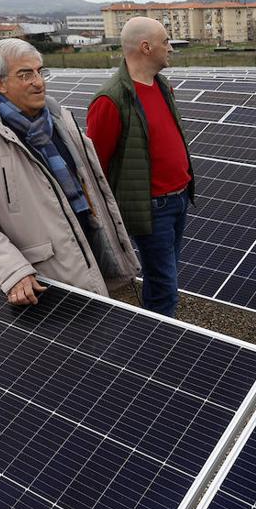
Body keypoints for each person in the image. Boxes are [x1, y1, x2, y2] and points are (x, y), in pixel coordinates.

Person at [0, 38, 141, 305]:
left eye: (40, 71)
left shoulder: (61, 120)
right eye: (25, 74)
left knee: (103, 331)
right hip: (45, 272)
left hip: (90, 242)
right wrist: (12, 271)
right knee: (66, 340)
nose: (38, 82)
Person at [87, 17, 194, 318]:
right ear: (146, 47)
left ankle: (156, 329)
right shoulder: (111, 99)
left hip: (179, 198)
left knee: (167, 274)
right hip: (151, 208)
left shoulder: (161, 86)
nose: (170, 48)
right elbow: (96, 166)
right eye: (165, 42)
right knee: (164, 286)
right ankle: (158, 343)